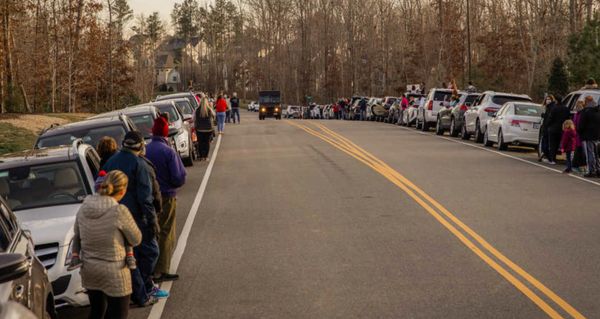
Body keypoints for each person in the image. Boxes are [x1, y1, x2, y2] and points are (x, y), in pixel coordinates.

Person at [103, 131, 166, 307]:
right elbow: (145, 197)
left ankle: (141, 289)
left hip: (112, 217)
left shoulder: (110, 162)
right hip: (136, 219)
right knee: (150, 252)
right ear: (139, 146)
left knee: (130, 255)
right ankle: (141, 289)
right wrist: (152, 221)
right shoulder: (139, 165)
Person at [72, 170, 142, 319]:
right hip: (115, 271)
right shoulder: (119, 211)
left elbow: (77, 234)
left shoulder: (84, 207)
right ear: (122, 190)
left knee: (97, 312)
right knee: (118, 314)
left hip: (91, 270)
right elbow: (136, 239)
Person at [146, 117, 187, 283]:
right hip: (167, 196)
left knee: (152, 232)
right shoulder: (168, 151)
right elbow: (178, 177)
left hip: (148, 197)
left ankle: (150, 267)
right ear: (165, 132)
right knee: (166, 232)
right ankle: (161, 269)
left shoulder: (146, 150)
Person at [577, 96, 600, 177]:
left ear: (586, 101)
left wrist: (579, 132)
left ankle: (592, 170)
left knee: (590, 153)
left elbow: (581, 125)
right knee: (597, 153)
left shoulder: (586, 111)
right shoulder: (597, 110)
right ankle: (598, 169)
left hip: (588, 135)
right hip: (597, 135)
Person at [545, 96, 570, 164]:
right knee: (560, 144)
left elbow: (550, 118)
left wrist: (547, 125)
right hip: (562, 129)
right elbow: (568, 118)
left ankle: (552, 159)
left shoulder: (554, 108)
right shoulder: (566, 108)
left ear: (556, 100)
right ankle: (562, 158)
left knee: (552, 144)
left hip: (553, 128)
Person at [538, 95, 556, 162]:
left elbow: (550, 118)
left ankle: (549, 157)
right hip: (545, 127)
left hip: (548, 128)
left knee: (546, 144)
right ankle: (546, 156)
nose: (547, 100)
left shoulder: (552, 107)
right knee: (544, 143)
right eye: (547, 99)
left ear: (552, 100)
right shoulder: (548, 107)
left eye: (549, 99)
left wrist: (547, 123)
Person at [572, 100, 587, 172]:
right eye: (577, 106)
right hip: (576, 135)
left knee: (581, 151)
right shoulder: (576, 114)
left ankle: (580, 165)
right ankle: (576, 165)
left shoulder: (583, 114)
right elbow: (574, 124)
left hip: (582, 135)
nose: (578, 107)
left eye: (580, 106)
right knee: (578, 150)